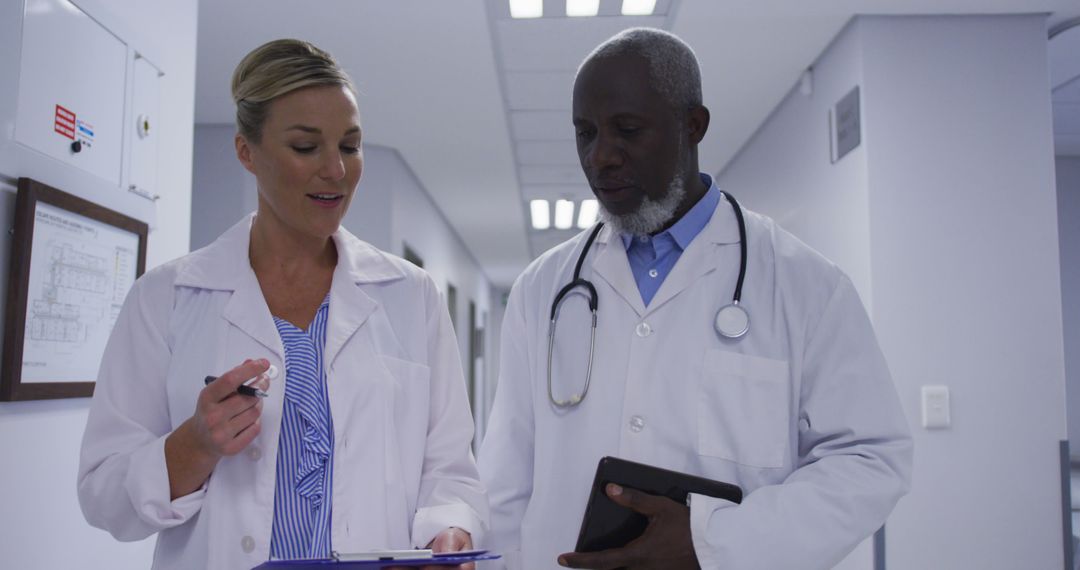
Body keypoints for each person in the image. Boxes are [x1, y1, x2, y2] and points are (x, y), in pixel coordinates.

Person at [478, 28, 912, 569]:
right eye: (585, 133)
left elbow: (871, 459)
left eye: (627, 130)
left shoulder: (805, 286)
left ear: (693, 125)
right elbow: (505, 482)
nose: (600, 157)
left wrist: (717, 541)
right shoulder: (544, 289)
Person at [78, 39, 486, 569]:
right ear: (247, 151)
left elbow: (450, 467)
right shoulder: (167, 298)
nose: (336, 170)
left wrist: (449, 528)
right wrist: (194, 445)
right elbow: (103, 496)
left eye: (351, 145)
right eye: (305, 147)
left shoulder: (410, 294)